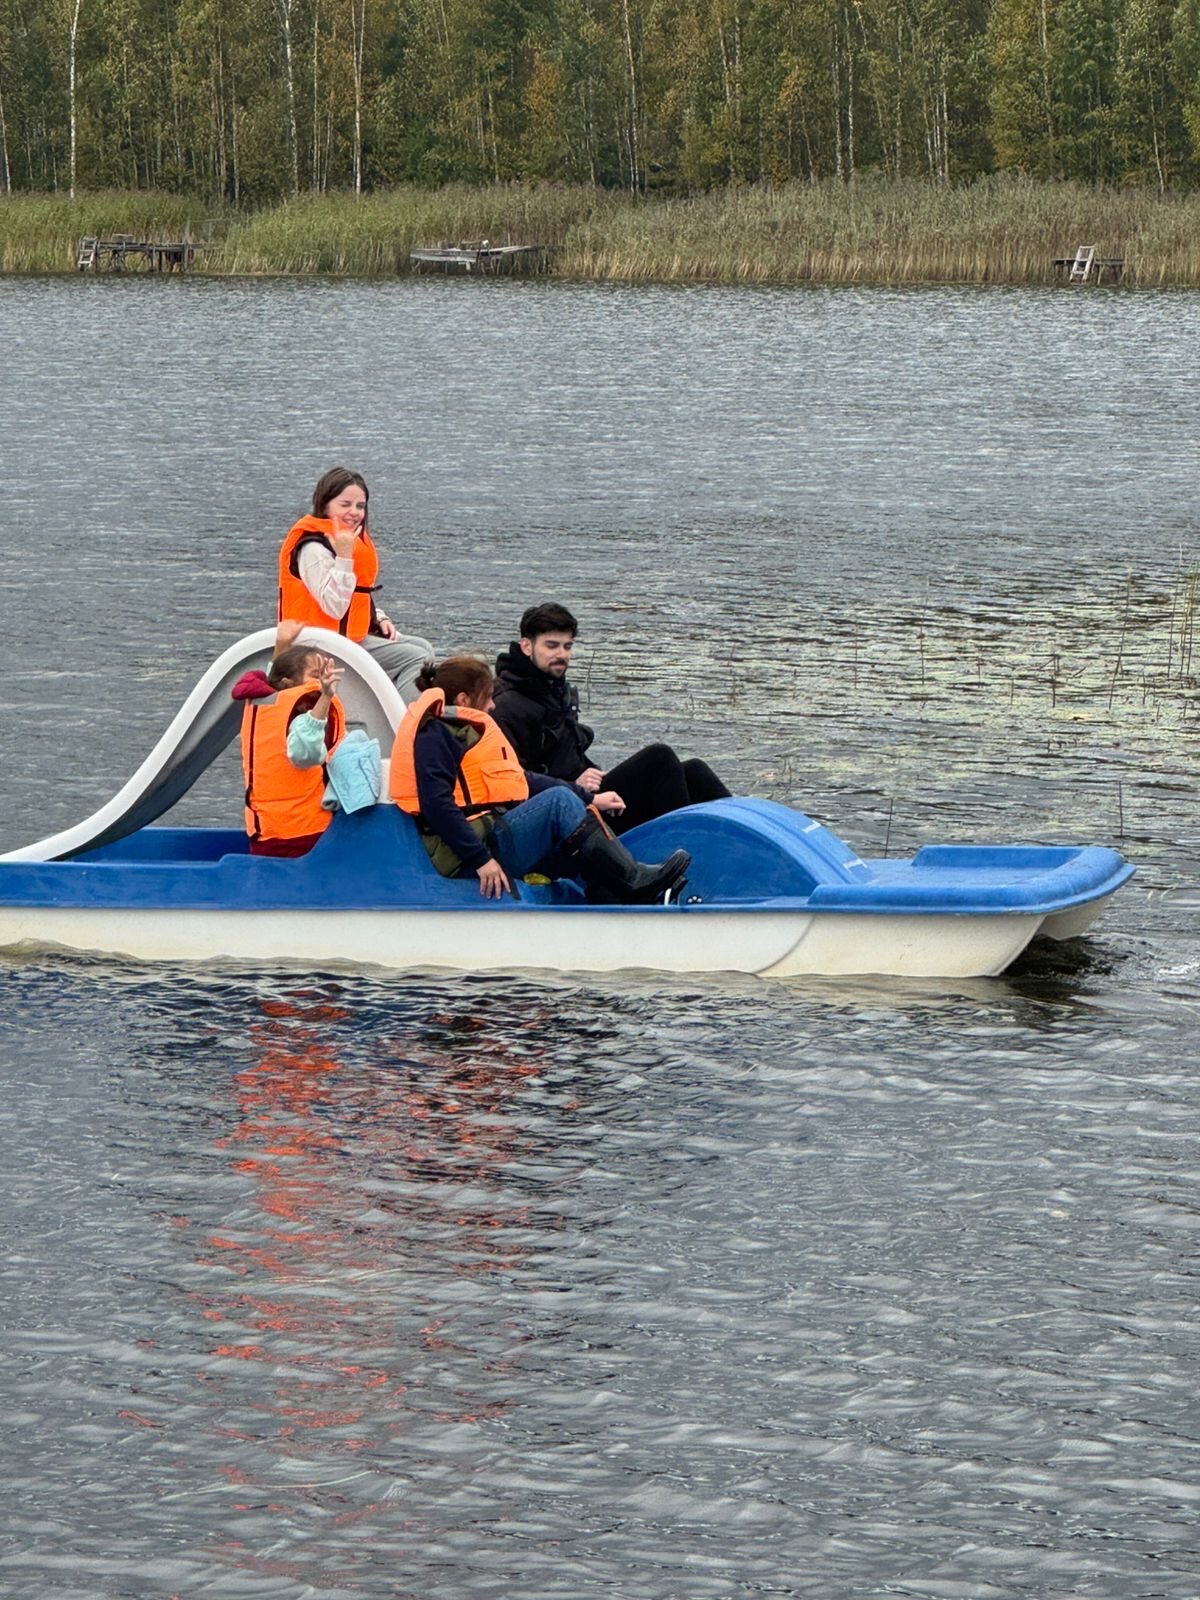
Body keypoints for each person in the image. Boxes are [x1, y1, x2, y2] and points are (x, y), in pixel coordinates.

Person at [389, 655, 690, 903]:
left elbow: (522, 781)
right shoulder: (435, 735)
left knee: (570, 841)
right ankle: (635, 881)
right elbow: (436, 803)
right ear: (464, 698)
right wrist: (481, 860)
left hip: (486, 835)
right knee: (558, 804)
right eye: (488, 697)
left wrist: (589, 797)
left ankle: (623, 898)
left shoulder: (464, 730)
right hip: (462, 855)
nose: (493, 706)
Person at [492, 603, 732, 834]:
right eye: (552, 646)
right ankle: (682, 846)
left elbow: (565, 752)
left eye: (567, 646)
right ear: (526, 646)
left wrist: (592, 772)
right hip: (568, 814)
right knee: (660, 758)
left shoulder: (552, 689)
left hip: (587, 793)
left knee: (694, 771)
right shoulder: (505, 705)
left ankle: (752, 832)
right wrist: (576, 787)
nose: (562, 655)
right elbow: (512, 780)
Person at [277, 467, 433, 701]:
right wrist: (344, 557)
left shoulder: (347, 540)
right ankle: (410, 722)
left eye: (360, 506)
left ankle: (400, 705)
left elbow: (357, 594)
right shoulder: (313, 548)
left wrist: (378, 617)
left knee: (424, 648)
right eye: (345, 504)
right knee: (415, 658)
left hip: (350, 635)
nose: (354, 512)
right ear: (325, 505)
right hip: (319, 644)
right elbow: (334, 606)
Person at [232, 622, 346, 857]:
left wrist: (282, 644)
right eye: (316, 675)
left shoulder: (262, 702)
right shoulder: (299, 717)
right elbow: (306, 755)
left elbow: (277, 680)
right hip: (303, 835)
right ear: (289, 684)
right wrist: (325, 696)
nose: (324, 679)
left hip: (266, 831)